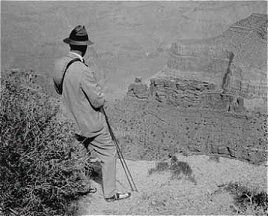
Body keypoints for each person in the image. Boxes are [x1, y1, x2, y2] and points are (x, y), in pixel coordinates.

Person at [53, 25, 131, 202]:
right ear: (85, 47)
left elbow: (59, 89)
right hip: (90, 124)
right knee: (109, 152)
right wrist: (101, 96)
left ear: (70, 44)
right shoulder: (84, 70)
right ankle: (110, 194)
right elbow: (97, 101)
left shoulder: (59, 65)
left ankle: (78, 186)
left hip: (70, 122)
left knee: (78, 153)